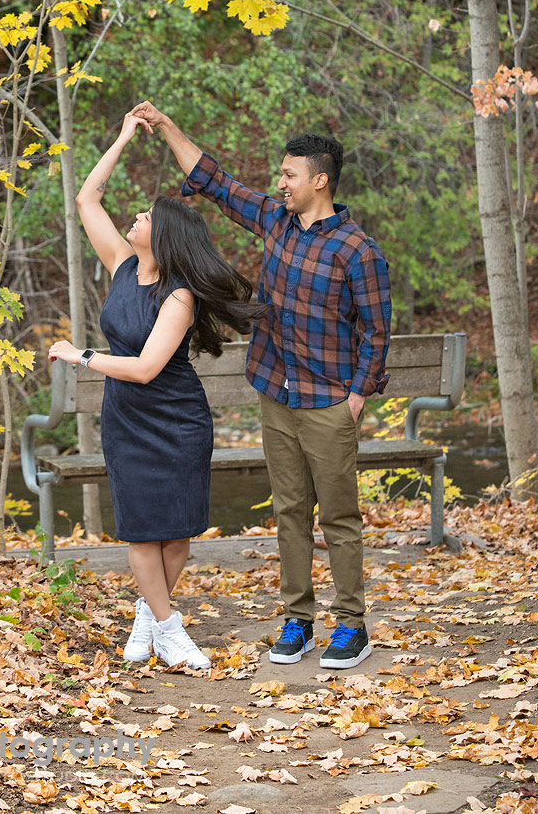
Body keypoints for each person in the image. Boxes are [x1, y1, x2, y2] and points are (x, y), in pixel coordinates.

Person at [131, 101, 391, 671]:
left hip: (328, 402)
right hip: (276, 393)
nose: (280, 183)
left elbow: (376, 330)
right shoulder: (275, 221)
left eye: (290, 175)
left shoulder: (357, 251)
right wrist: (169, 126)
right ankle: (296, 618)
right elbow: (216, 181)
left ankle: (352, 624)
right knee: (291, 511)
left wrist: (356, 396)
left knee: (340, 518)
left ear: (319, 180)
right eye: (280, 174)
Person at [48, 111, 267, 671]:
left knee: (175, 532)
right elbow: (86, 200)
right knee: (143, 530)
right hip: (128, 422)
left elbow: (146, 368)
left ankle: (151, 619)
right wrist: (120, 136)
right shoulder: (122, 267)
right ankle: (170, 629)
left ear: (164, 236)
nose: (136, 216)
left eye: (147, 215)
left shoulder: (179, 296)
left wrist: (83, 357)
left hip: (176, 419)